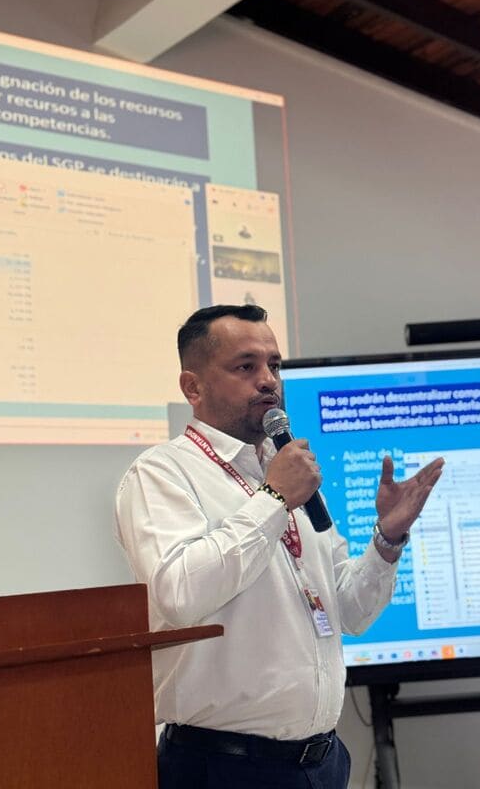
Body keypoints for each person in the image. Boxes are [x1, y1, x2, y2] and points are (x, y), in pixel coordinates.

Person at [115, 304, 443, 789]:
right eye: (245, 366)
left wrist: (387, 539)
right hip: (222, 767)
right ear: (193, 387)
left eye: (274, 364)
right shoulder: (163, 473)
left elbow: (350, 612)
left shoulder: (287, 470)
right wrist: (273, 499)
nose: (268, 380)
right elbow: (179, 593)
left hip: (322, 762)